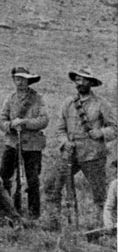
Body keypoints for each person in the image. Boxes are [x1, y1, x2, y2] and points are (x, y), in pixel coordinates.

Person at [46, 66, 117, 228]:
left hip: (93, 155)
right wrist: (65, 142)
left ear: (91, 83)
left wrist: (100, 132)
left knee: (100, 195)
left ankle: (104, 226)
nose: (80, 83)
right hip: (69, 154)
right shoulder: (68, 103)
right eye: (78, 79)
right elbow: (60, 129)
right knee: (52, 185)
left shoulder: (101, 104)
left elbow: (114, 128)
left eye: (84, 79)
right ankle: (53, 223)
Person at [0, 66, 48, 219]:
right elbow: (1, 120)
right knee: (5, 176)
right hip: (12, 143)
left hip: (32, 145)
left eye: (23, 79)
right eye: (17, 79)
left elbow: (44, 120)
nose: (20, 82)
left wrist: (25, 122)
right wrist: (11, 125)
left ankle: (33, 213)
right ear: (14, 80)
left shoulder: (37, 99)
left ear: (28, 81)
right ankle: (5, 207)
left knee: (32, 180)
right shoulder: (10, 98)